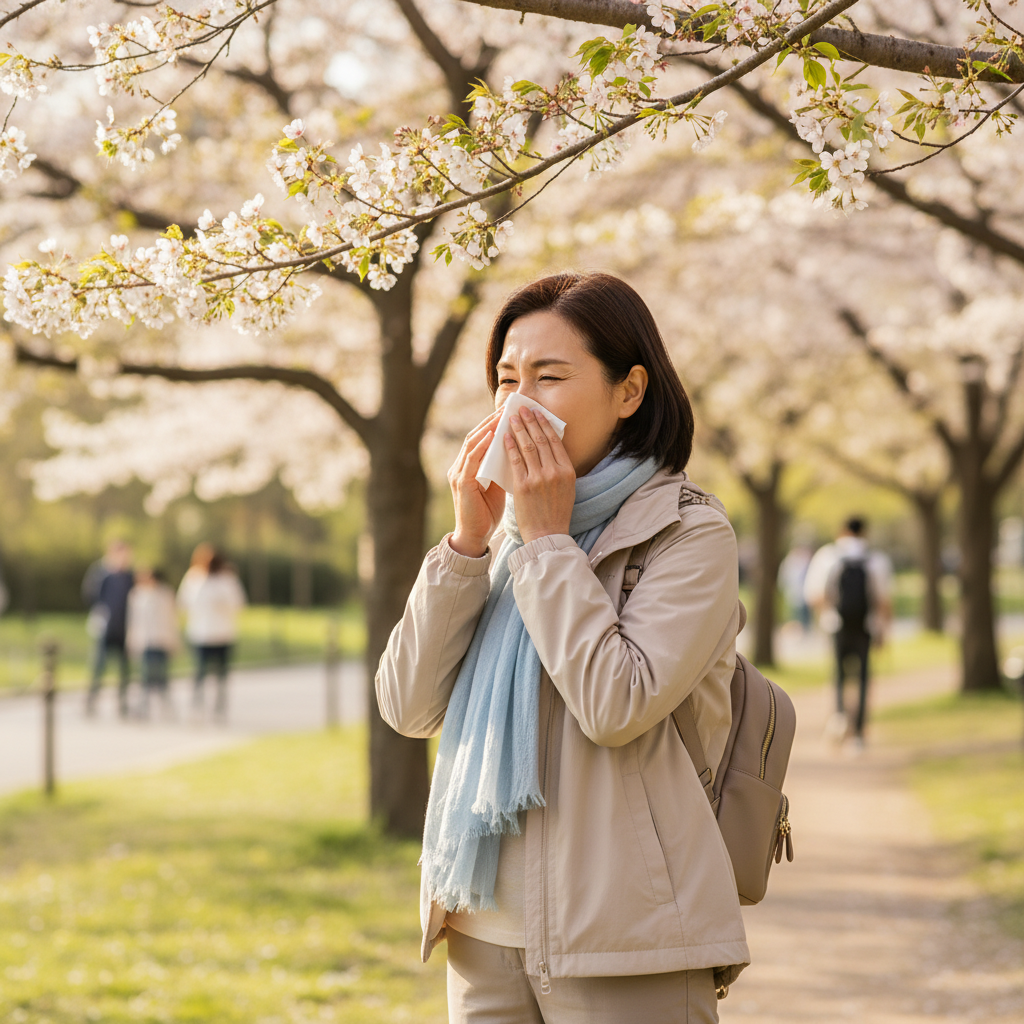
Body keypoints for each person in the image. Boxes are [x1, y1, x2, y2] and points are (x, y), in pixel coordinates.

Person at [377, 272, 748, 1023]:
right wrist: (467, 544)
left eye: (550, 378)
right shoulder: (501, 540)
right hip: (482, 934)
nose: (519, 403)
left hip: (627, 940)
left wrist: (547, 541)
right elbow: (409, 707)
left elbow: (617, 705)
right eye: (507, 379)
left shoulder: (689, 534)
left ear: (629, 391)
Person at [804, 516, 893, 748]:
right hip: (866, 627)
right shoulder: (876, 559)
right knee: (863, 678)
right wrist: (884, 632)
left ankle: (840, 720)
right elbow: (883, 601)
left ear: (842, 531)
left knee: (839, 677)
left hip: (836, 626)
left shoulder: (828, 556)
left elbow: (815, 596)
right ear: (864, 532)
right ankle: (859, 734)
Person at [177, 546, 246, 720]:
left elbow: (238, 604)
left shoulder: (227, 579)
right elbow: (183, 603)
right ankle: (197, 707)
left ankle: (219, 709)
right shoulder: (194, 579)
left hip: (223, 634)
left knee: (221, 676)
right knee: (200, 674)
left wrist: (221, 604)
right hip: (201, 634)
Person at [83, 539, 135, 717]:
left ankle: (123, 704)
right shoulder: (101, 573)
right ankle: (90, 701)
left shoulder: (129, 576)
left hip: (124, 629)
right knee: (99, 667)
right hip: (106, 628)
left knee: (124, 670)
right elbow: (90, 595)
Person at [126, 567, 180, 719]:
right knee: (144, 678)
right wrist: (131, 643)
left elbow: (171, 620)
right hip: (144, 642)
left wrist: (174, 641)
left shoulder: (165, 594)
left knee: (163, 677)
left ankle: (167, 708)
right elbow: (133, 622)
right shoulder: (137, 595)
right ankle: (143, 709)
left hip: (161, 640)